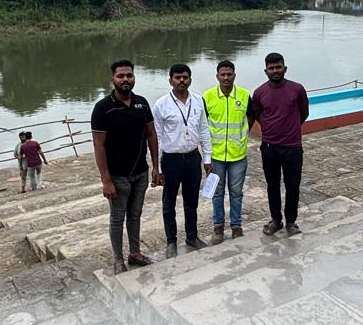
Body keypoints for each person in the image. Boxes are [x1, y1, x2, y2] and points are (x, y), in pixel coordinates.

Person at [91, 59, 161, 273]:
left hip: (140, 171)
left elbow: (151, 135)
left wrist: (155, 167)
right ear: (112, 79)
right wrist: (106, 180)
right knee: (117, 218)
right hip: (117, 176)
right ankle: (118, 258)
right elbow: (99, 145)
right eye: (120, 76)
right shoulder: (103, 108)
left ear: (134, 77)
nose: (125, 80)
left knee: (136, 214)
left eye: (129, 75)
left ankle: (135, 253)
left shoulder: (142, 103)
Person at [153, 63, 213, 258]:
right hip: (171, 160)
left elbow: (204, 130)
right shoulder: (161, 105)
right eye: (177, 78)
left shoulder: (198, 101)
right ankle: (171, 242)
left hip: (192, 158)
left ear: (190, 80)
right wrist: (157, 167)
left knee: (191, 201)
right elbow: (157, 137)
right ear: (170, 80)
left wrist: (207, 158)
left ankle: (192, 236)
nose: (181, 81)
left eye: (185, 77)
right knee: (169, 202)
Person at [248, 52, 309, 237]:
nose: (275, 71)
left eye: (278, 67)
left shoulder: (297, 89)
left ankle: (291, 221)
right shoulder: (259, 93)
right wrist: (271, 129)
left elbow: (303, 113)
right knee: (272, 185)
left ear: (285, 68)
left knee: (293, 185)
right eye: (271, 68)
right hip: (269, 147)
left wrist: (289, 129)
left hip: (292, 146)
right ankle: (276, 220)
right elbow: (257, 114)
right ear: (265, 71)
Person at [203, 59, 250, 242]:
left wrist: (241, 138)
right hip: (216, 156)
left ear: (234, 76)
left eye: (229, 74)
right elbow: (202, 125)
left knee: (236, 192)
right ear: (217, 76)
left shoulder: (245, 95)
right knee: (217, 192)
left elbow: (251, 117)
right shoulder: (208, 96)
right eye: (222, 74)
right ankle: (218, 226)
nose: (226, 78)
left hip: (238, 155)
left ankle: (236, 226)